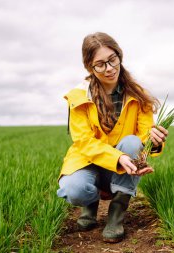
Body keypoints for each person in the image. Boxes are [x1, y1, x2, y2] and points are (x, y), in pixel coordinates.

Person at [57, 32, 168, 243]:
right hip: (88, 160)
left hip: (124, 163)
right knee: (74, 190)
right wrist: (116, 158)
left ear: (119, 56)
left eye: (112, 59)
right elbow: (83, 141)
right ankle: (90, 203)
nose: (109, 68)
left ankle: (116, 214)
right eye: (100, 64)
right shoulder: (78, 97)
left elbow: (144, 135)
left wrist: (155, 141)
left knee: (133, 142)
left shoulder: (138, 95)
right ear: (90, 67)